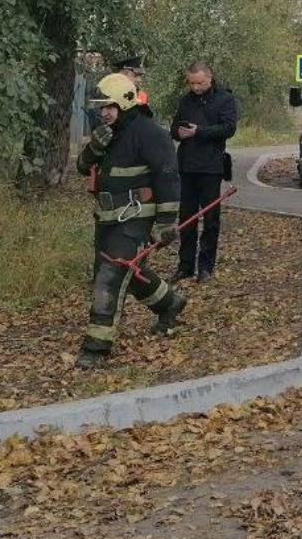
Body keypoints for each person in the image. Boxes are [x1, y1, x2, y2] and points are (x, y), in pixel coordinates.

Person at [74, 73, 185, 368]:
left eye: (109, 107)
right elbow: (82, 168)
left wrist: (166, 221)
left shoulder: (150, 134)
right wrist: (93, 148)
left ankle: (96, 347)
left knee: (110, 276)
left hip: (136, 217)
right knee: (131, 274)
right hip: (106, 218)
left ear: (125, 103)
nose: (104, 113)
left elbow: (168, 178)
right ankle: (170, 304)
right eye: (101, 107)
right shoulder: (107, 133)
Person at [171, 62, 238, 281]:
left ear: (209, 78)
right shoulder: (185, 101)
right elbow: (174, 128)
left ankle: (206, 267)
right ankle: (185, 265)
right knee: (186, 218)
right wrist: (179, 133)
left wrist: (199, 131)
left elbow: (228, 128)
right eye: (192, 83)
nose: (196, 87)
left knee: (210, 219)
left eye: (199, 83)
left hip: (211, 167)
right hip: (187, 166)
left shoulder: (225, 100)